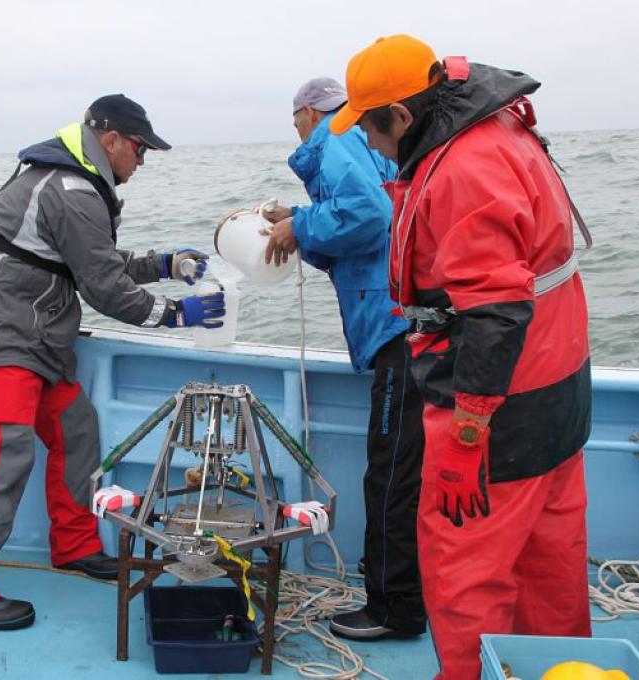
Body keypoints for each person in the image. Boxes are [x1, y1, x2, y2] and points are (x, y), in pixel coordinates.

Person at [330, 35, 593, 679]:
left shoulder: (463, 168)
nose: (370, 141)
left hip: (499, 409)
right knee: (550, 563)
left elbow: (496, 311)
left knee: (465, 570)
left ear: (401, 113)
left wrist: (470, 432)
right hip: (558, 390)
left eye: (370, 124)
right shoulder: (499, 128)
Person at [0, 94, 225, 631]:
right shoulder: (71, 189)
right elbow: (105, 289)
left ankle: (73, 545)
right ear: (110, 139)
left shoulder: (72, 180)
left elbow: (90, 261)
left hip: (35, 339)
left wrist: (165, 263)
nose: (142, 161)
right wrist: (180, 315)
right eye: (139, 149)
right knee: (5, 449)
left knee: (76, 428)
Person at [262, 77, 426, 641]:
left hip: (394, 329)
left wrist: (298, 225)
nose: (301, 129)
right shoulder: (366, 141)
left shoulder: (332, 141)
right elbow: (371, 225)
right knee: (406, 472)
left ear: (306, 112)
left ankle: (393, 609)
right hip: (412, 323)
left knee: (390, 475)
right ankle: (405, 594)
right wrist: (299, 222)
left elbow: (370, 218)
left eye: (298, 120)